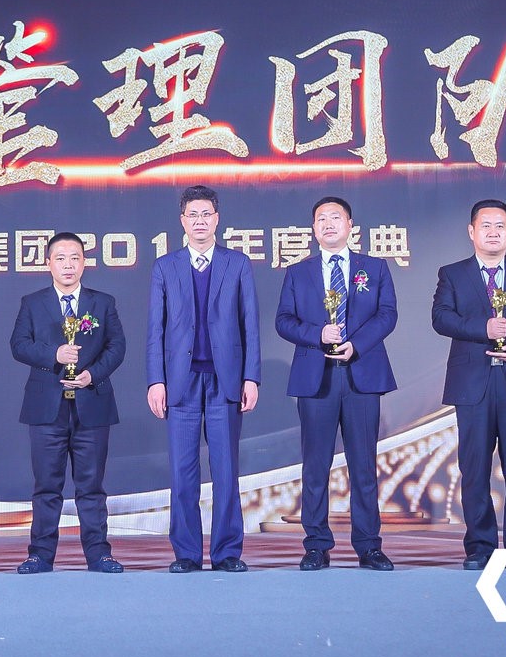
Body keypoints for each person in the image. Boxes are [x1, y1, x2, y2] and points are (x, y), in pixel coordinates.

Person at [274, 196, 398, 571]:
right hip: (317, 379)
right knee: (315, 467)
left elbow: (387, 314)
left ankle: (369, 546)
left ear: (350, 225)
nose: (329, 224)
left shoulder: (373, 268)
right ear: (313, 229)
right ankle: (316, 545)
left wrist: (356, 344)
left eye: (336, 217)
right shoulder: (298, 273)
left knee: (364, 467)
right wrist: (318, 334)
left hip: (362, 374)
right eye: (321, 219)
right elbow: (284, 321)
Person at [431, 199, 506, 571]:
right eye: (486, 225)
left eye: (500, 225)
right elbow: (441, 318)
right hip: (473, 384)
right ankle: (480, 547)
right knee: (474, 468)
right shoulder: (453, 274)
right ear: (472, 231)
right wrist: (482, 328)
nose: (493, 232)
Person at [147, 184, 261, 573]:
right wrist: (156, 380)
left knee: (226, 471)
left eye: (206, 214)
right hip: (180, 383)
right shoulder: (165, 266)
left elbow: (250, 324)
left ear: (217, 219)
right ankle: (187, 554)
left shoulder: (237, 263)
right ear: (182, 221)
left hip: (225, 381)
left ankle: (227, 553)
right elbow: (156, 329)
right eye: (192, 215)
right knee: (183, 474)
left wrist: (251, 377)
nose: (200, 221)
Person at [10, 232, 127, 574]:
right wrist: (54, 355)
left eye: (75, 258)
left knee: (91, 487)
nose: (68, 265)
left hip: (92, 403)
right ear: (48, 263)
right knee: (46, 486)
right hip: (46, 407)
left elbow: (117, 346)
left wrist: (93, 375)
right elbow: (19, 345)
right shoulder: (32, 303)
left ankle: (99, 554)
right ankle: (40, 555)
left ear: (84, 263)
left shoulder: (102, 302)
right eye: (60, 258)